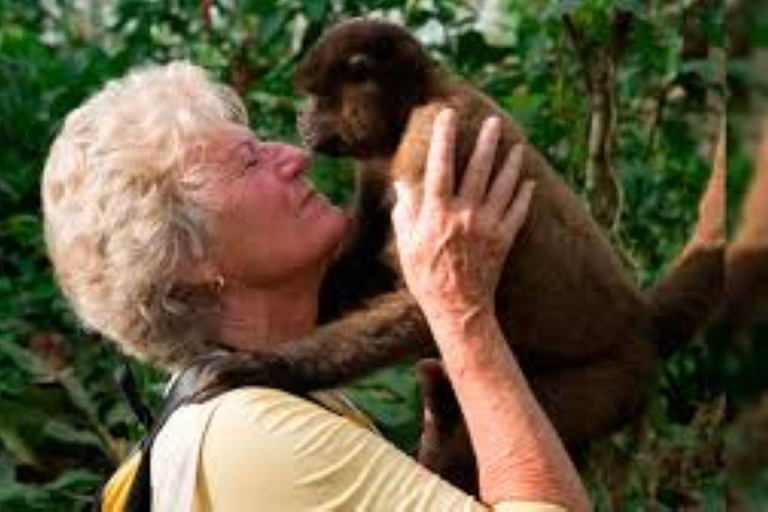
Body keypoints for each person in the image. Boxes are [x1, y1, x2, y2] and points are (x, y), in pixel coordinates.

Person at [42, 61, 589, 511]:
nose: (298, 157)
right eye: (250, 160)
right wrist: (463, 313)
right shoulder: (246, 432)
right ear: (187, 256)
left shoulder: (279, 403)